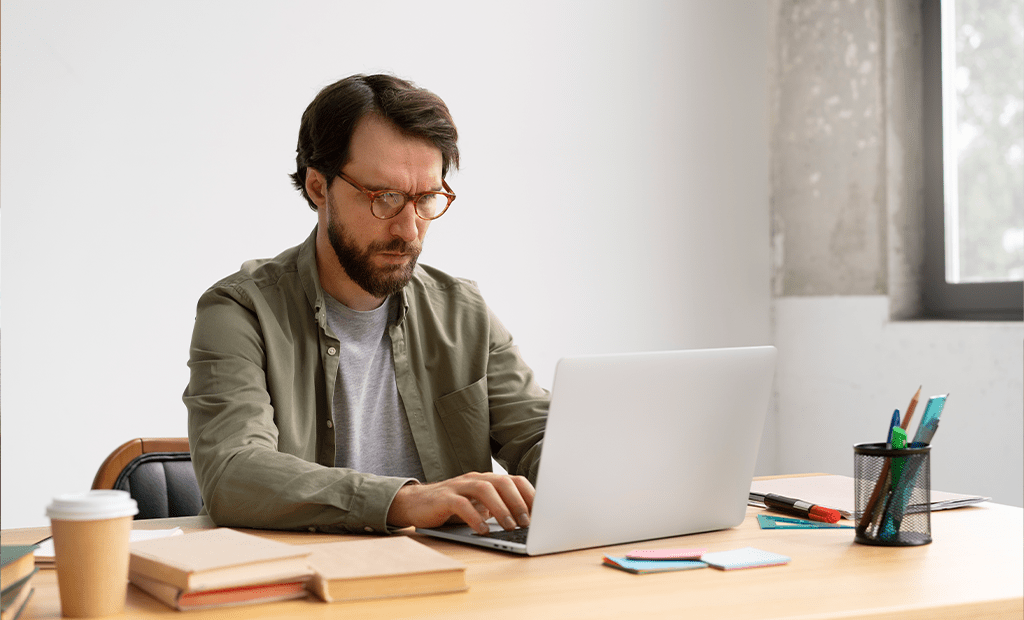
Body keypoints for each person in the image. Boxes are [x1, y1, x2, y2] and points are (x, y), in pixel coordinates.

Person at [184, 74, 548, 535]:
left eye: (427, 199)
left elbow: (540, 438)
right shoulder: (240, 313)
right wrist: (403, 501)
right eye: (385, 198)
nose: (409, 230)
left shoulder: (464, 312)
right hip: (307, 576)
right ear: (318, 187)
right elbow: (233, 473)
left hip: (454, 572)